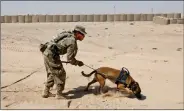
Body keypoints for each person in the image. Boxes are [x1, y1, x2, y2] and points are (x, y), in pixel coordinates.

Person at [39, 25, 87, 99]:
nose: (83, 36)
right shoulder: (72, 41)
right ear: (77, 33)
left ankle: (46, 92)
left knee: (52, 73)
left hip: (47, 52)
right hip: (52, 55)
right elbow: (70, 59)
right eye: (82, 34)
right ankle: (59, 94)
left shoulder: (68, 35)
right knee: (60, 73)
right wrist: (78, 63)